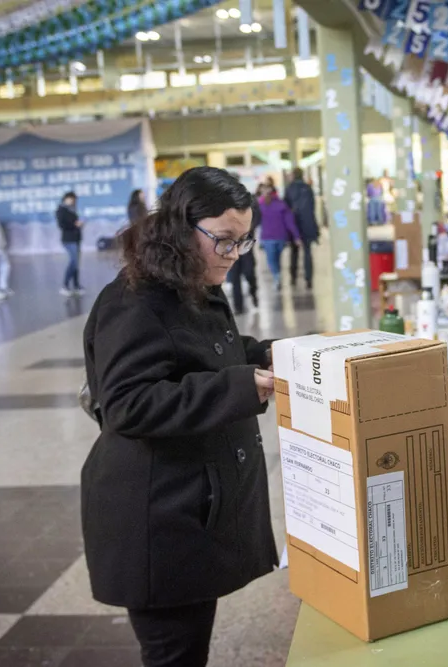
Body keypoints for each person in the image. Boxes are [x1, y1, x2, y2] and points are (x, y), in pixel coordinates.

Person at [81, 166, 276, 667]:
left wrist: (273, 355)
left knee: (189, 647)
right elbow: (128, 402)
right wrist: (239, 386)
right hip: (154, 518)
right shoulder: (135, 301)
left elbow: (204, 353)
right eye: (224, 240)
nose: (233, 255)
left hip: (188, 505)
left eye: (243, 242)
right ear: (181, 228)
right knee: (175, 654)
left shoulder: (189, 280)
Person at [257, 183, 300, 291]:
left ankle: (277, 276)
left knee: (271, 260)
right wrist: (296, 237)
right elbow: (290, 222)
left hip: (267, 238)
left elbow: (254, 222)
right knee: (277, 259)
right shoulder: (282, 205)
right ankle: (277, 275)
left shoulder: (260, 206)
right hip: (281, 237)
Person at [284, 168, 319, 289]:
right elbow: (312, 208)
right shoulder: (308, 188)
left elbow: (286, 210)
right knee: (308, 253)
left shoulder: (289, 189)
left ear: (293, 175)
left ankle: (293, 278)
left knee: (294, 252)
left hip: (294, 226)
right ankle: (309, 279)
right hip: (308, 225)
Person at [226, 193, 261, 314]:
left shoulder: (247, 199)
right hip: (231, 246)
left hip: (245, 245)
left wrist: (249, 228)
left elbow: (257, 216)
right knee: (235, 278)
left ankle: (254, 293)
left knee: (249, 273)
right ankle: (238, 307)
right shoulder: (222, 203)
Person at [57, 191, 84, 297]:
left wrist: (79, 225)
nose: (73, 201)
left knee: (76, 263)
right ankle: (65, 285)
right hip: (68, 239)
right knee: (74, 261)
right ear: (66, 198)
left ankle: (76, 285)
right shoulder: (61, 210)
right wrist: (74, 224)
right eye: (71, 199)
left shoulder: (72, 209)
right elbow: (62, 225)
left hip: (76, 238)